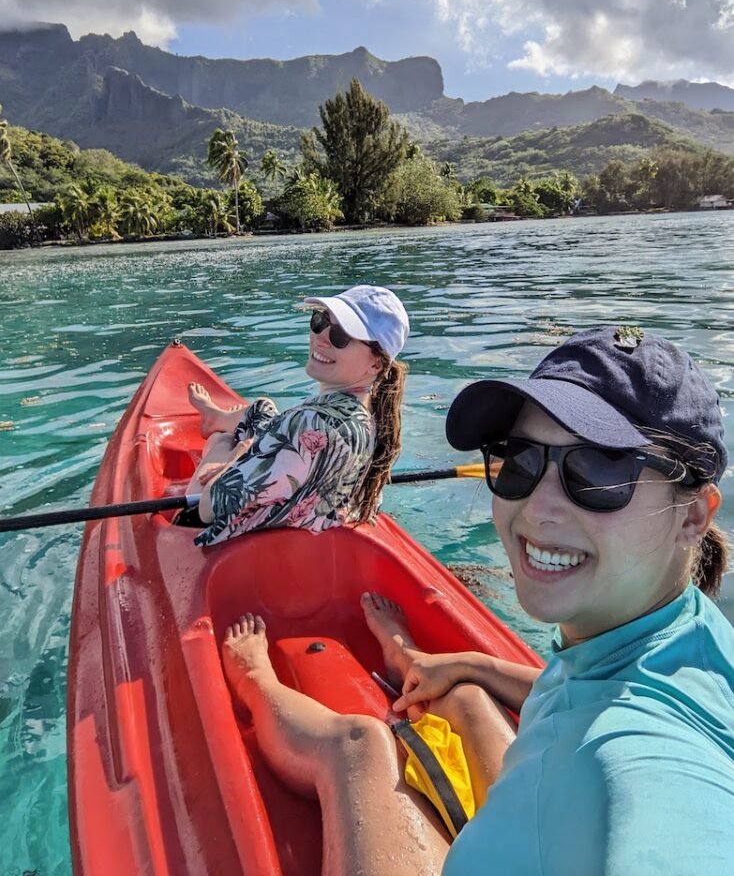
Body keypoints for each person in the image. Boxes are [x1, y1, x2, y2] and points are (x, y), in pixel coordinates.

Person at [220, 325, 734, 875]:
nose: (537, 509)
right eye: (520, 459)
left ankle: (257, 681)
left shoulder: (644, 774)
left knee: (359, 747)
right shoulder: (685, 637)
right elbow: (592, 690)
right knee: (464, 696)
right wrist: (473, 663)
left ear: (695, 515)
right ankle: (419, 663)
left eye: (602, 471)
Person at [189, 284, 409, 546]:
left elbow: (207, 508)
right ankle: (216, 417)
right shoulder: (375, 418)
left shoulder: (308, 423)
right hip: (310, 522)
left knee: (219, 442)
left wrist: (232, 457)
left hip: (246, 543)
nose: (321, 337)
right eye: (320, 321)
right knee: (262, 408)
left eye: (340, 336)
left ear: (376, 363)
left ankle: (219, 436)